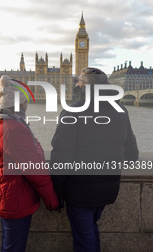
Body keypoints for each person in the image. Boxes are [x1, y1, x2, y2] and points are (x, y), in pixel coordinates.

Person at [50, 67, 139, 252]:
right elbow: (132, 154)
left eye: (80, 82)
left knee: (84, 241)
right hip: (107, 190)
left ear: (87, 86)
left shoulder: (73, 111)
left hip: (79, 191)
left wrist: (55, 189)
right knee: (90, 232)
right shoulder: (121, 110)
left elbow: (61, 155)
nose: (76, 84)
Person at [0, 75, 59, 252]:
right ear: (19, 103)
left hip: (5, 195)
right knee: (14, 248)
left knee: (9, 245)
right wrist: (52, 200)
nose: (27, 104)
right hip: (16, 199)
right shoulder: (15, 128)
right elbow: (36, 171)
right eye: (25, 101)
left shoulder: (0, 121)